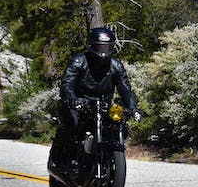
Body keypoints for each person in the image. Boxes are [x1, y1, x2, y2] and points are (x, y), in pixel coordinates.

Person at [49, 26, 139, 171]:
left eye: (106, 47)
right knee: (72, 123)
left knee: (118, 125)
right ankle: (60, 158)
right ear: (90, 46)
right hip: (79, 105)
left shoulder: (116, 66)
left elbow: (125, 89)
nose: (103, 51)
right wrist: (73, 100)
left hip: (103, 107)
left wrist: (133, 108)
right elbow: (67, 84)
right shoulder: (78, 62)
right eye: (99, 47)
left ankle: (109, 155)